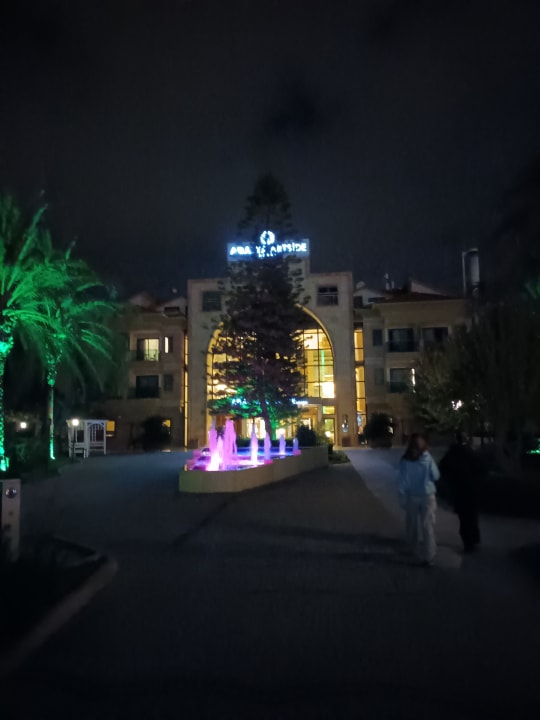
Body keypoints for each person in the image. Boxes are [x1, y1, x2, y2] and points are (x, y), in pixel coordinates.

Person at [398, 433, 440, 566]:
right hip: (427, 495)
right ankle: (429, 555)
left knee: (411, 524)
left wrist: (401, 495)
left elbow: (401, 480)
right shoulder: (427, 458)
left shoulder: (405, 460)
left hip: (412, 495)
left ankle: (412, 548)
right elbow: (436, 475)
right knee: (427, 526)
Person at [439, 431, 482, 553]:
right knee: (472, 515)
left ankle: (468, 541)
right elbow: (481, 469)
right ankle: (473, 538)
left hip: (459, 489)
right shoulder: (471, 452)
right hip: (471, 490)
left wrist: (450, 481)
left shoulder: (452, 453)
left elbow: (443, 468)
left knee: (464, 518)